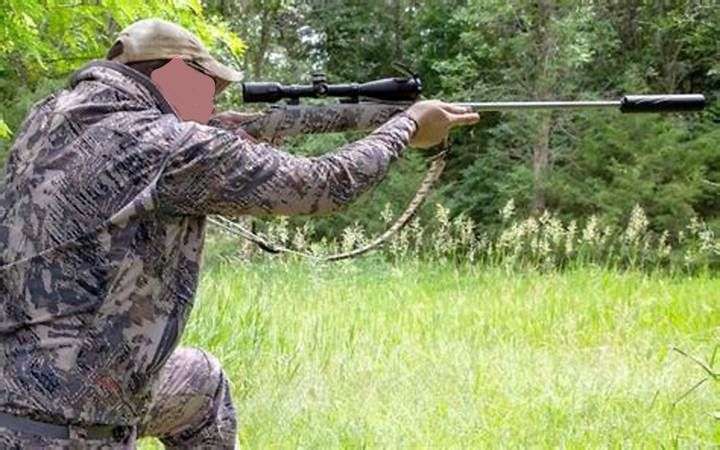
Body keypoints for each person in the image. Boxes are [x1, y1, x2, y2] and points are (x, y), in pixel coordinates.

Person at [0, 19, 478, 448]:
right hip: (73, 424)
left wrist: (323, 120)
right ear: (171, 73)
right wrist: (409, 125)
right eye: (206, 84)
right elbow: (324, 185)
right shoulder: (169, 147)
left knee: (201, 385)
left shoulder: (47, 120)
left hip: (18, 383)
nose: (213, 98)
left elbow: (207, 140)